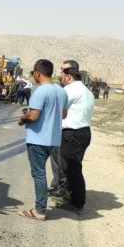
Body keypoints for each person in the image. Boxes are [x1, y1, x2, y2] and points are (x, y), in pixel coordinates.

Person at [17, 59, 68, 220]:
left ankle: (39, 210)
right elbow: (64, 115)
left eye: (33, 72)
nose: (33, 75)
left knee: (39, 174)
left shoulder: (40, 92)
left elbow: (33, 116)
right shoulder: (61, 92)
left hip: (38, 140)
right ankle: (41, 207)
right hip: (54, 140)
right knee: (42, 173)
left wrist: (22, 118)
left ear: (38, 72)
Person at [51, 60, 95, 213]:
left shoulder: (70, 90)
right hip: (83, 132)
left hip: (72, 134)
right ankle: (70, 197)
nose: (60, 75)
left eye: (62, 72)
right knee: (72, 169)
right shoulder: (86, 91)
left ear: (69, 76)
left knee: (71, 169)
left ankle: (76, 203)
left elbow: (55, 108)